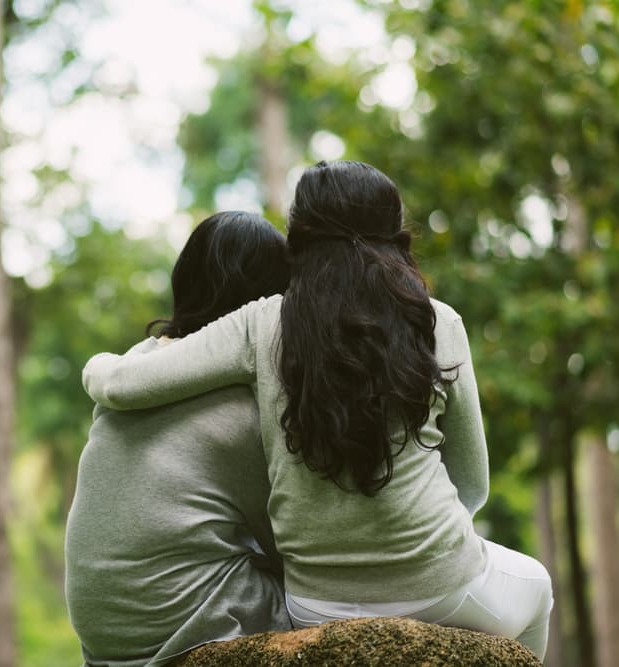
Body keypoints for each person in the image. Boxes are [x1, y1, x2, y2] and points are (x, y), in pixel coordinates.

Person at [82, 161, 553, 659]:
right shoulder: (437, 322)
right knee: (538, 587)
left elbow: (121, 384)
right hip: (440, 583)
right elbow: (471, 482)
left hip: (313, 603)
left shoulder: (262, 324)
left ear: (298, 243)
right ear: (397, 239)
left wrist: (98, 364)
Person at [64, 211, 293, 667]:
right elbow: (286, 539)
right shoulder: (238, 407)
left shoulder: (137, 362)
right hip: (182, 629)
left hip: (103, 637)